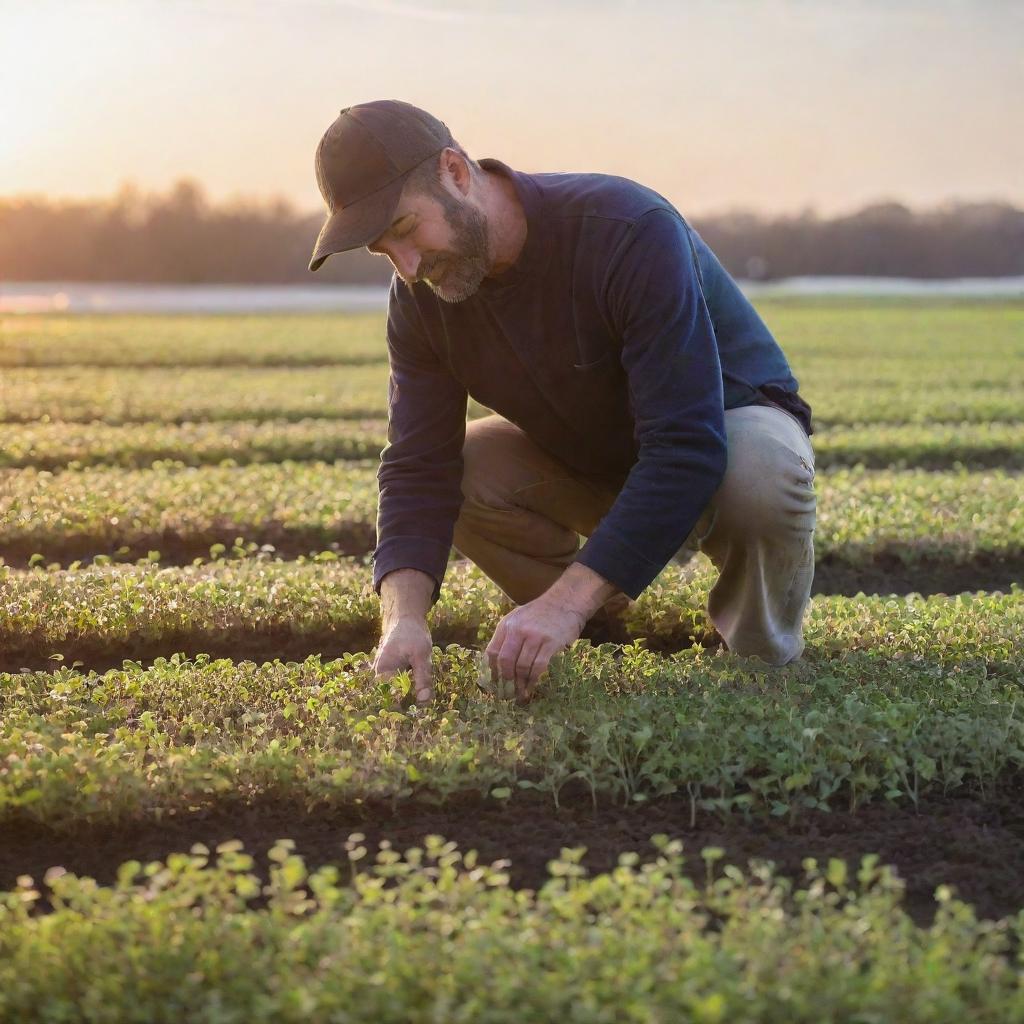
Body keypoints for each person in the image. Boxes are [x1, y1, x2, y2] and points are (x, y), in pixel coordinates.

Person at [309, 99, 817, 706]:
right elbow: (418, 465)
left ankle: (761, 665)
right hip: (598, 458)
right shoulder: (419, 299)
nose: (409, 266)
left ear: (456, 173)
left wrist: (562, 605)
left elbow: (686, 444)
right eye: (385, 252)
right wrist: (402, 619)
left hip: (722, 437)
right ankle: (599, 624)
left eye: (405, 230)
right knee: (464, 466)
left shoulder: (626, 229)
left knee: (761, 474)